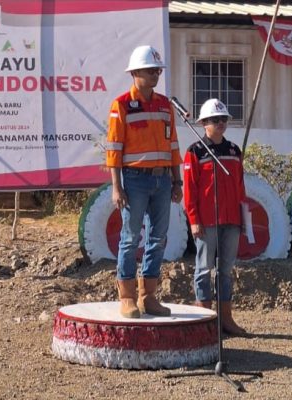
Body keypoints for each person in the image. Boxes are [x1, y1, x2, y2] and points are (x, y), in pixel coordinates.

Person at [105, 45, 183, 318]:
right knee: (129, 239)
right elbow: (113, 147)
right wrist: (117, 187)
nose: (156, 75)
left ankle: (148, 296)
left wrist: (177, 181)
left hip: (163, 181)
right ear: (135, 72)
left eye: (158, 70)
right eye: (151, 70)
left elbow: (173, 144)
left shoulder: (164, 105)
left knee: (158, 238)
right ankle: (127, 298)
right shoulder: (121, 105)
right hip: (135, 181)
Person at [182, 98, 248, 335]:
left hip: (231, 220)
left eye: (223, 119)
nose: (220, 123)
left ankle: (225, 318)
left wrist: (243, 217)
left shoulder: (233, 150)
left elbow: (240, 187)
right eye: (214, 120)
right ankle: (203, 319)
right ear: (203, 124)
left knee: (226, 270)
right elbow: (189, 190)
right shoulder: (195, 152)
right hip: (206, 221)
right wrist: (194, 219)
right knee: (203, 269)